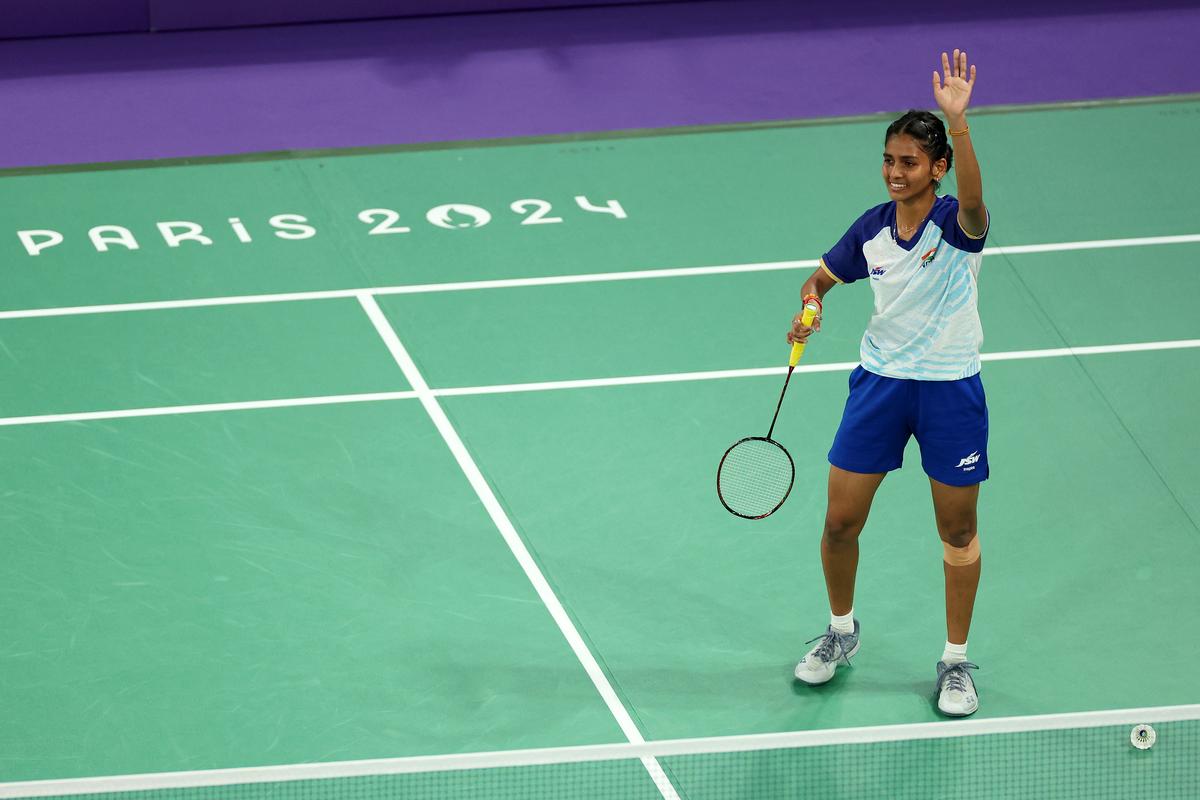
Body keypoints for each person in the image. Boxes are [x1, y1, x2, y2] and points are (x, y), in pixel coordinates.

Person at [788, 50, 989, 716]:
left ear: (937, 169)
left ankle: (955, 663)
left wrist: (958, 123)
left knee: (957, 531)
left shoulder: (960, 226)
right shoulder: (872, 228)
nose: (895, 172)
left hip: (949, 390)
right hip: (878, 385)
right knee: (840, 521)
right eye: (888, 160)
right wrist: (812, 304)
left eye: (909, 162)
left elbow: (979, 201)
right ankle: (841, 632)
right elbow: (820, 277)